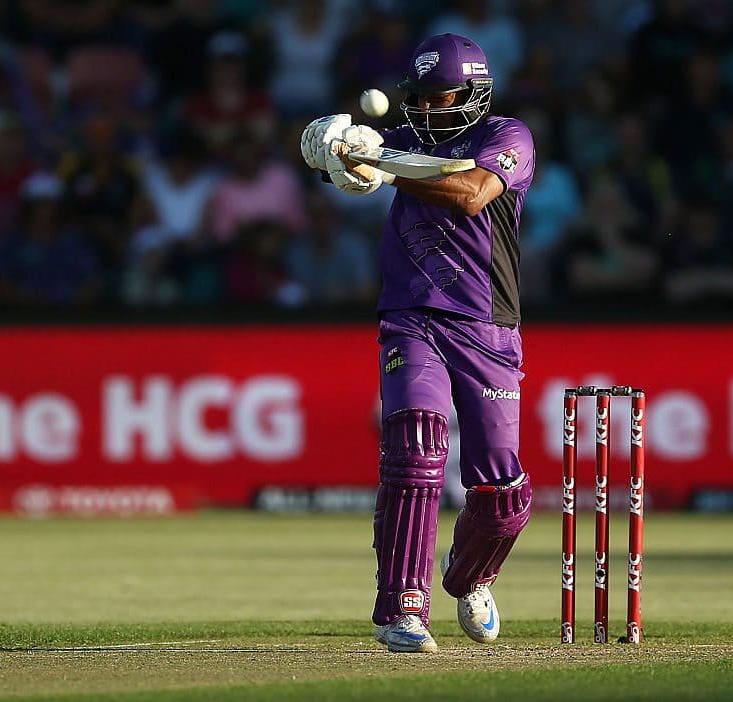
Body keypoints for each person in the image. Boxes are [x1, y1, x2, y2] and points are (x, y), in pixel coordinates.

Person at [299, 33, 535, 653]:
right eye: (421, 98)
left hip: (486, 324)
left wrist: (383, 162)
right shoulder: (405, 141)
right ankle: (403, 608)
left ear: (473, 94)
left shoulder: (506, 136)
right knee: (414, 450)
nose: (428, 110)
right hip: (412, 316)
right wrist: (332, 151)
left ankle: (470, 575)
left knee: (503, 494)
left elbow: (471, 193)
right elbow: (358, 173)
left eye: (442, 97)